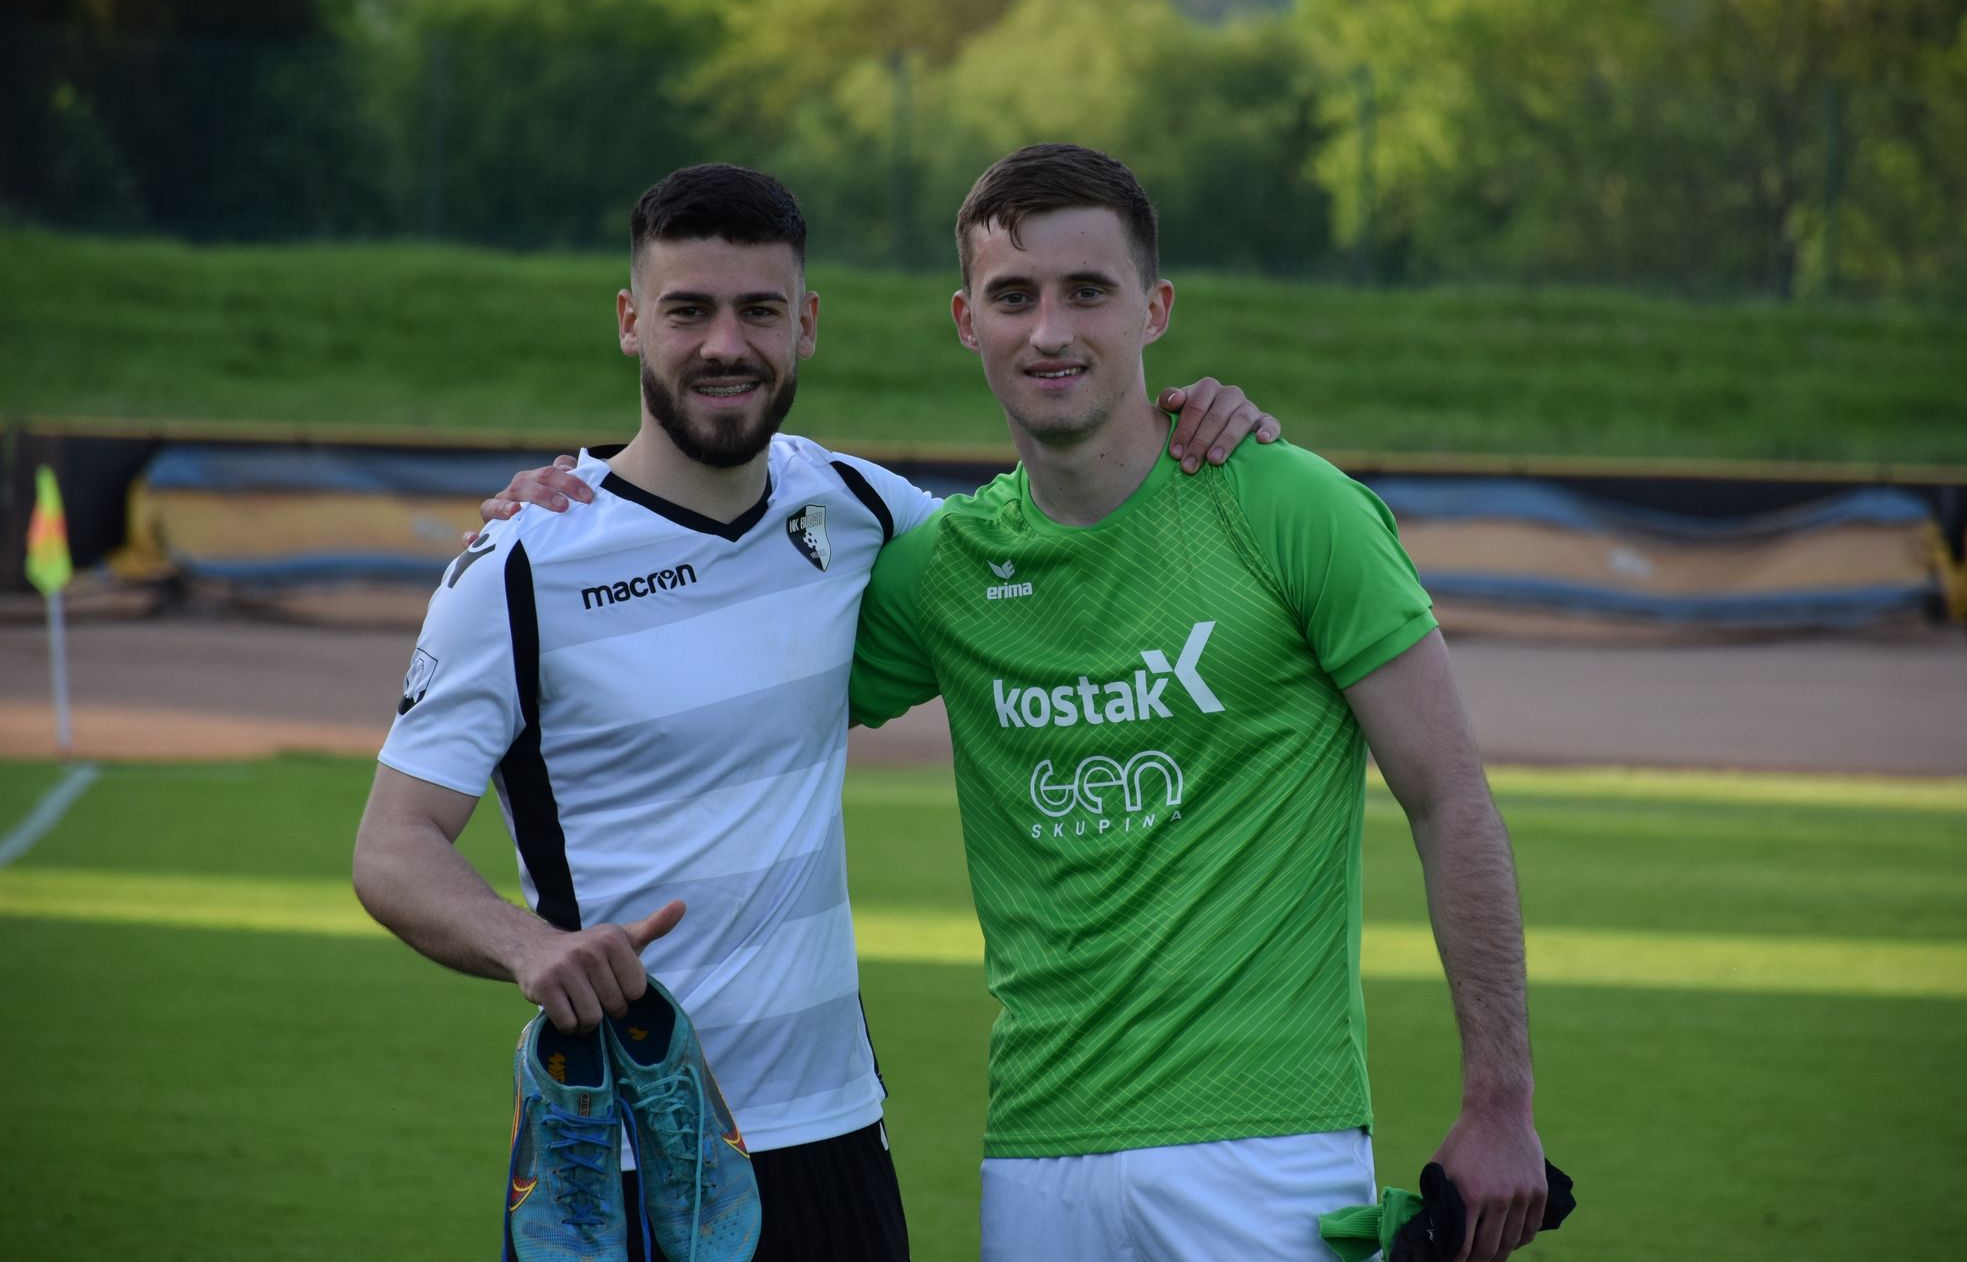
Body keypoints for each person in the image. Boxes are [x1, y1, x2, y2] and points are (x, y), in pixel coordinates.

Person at [352, 161, 1278, 1262]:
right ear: (630, 321)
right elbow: (393, 847)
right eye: (687, 311)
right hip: (630, 1155)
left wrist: (1194, 421)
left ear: (807, 325)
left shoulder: (855, 508)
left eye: (760, 311)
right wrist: (529, 945)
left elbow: (1057, 544)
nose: (725, 345)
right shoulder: (520, 562)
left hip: (838, 1139)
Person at [842, 143, 1548, 1262]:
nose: (1050, 331)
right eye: (1013, 297)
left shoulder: (1290, 506)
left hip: (1269, 1147)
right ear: (966, 321)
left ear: (1155, 309)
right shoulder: (943, 569)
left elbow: (1449, 798)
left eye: (1088, 291)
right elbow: (736, 692)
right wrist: (578, 502)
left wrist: (1500, 1100)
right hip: (1035, 1154)